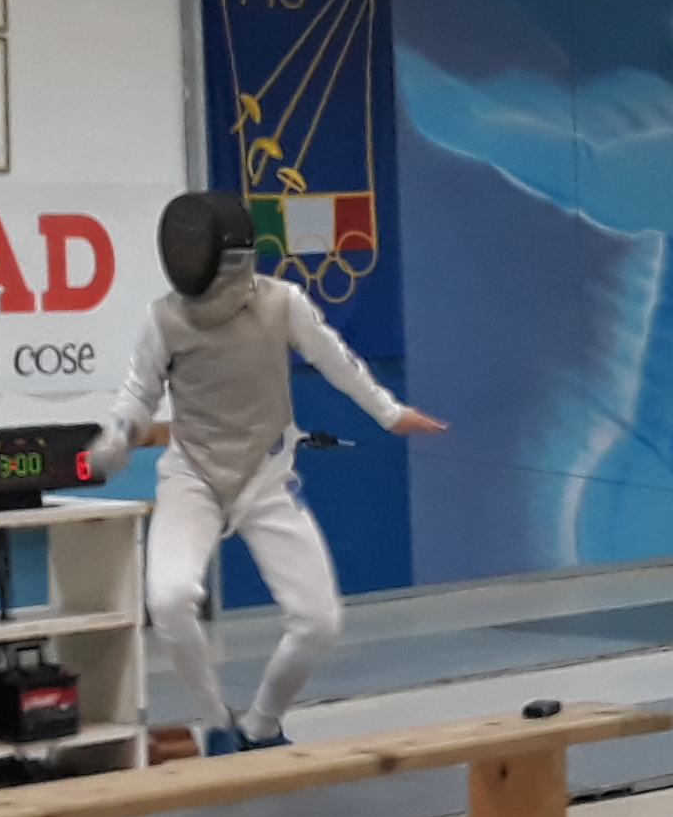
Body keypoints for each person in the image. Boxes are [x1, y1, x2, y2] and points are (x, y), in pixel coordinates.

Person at [99, 191, 445, 752]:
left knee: (319, 622)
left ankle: (261, 724)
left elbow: (334, 359)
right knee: (168, 600)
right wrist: (119, 434)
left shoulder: (282, 303)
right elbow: (139, 391)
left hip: (264, 475)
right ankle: (215, 723)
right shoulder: (165, 318)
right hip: (192, 475)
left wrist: (389, 412)